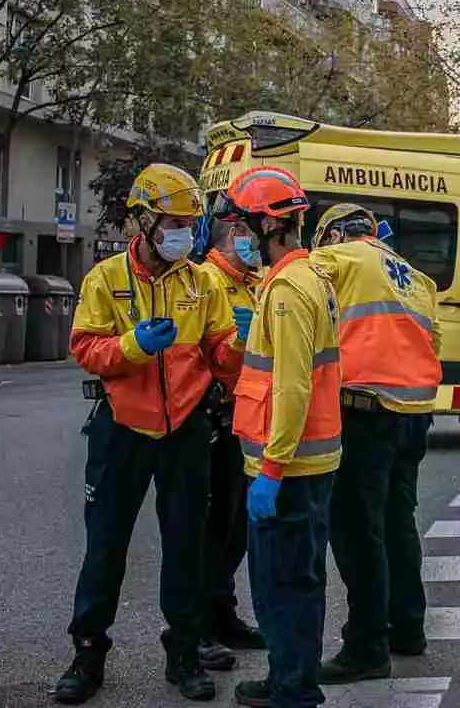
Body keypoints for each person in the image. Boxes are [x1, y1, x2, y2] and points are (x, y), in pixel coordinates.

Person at [56, 164, 246, 704]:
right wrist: (133, 346)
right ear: (141, 220)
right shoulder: (106, 279)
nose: (182, 232)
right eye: (171, 221)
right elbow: (85, 350)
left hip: (185, 429)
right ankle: (87, 656)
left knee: (186, 547)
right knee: (106, 547)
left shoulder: (202, 281)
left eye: (189, 222)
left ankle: (184, 656)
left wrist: (239, 348)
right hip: (122, 430)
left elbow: (219, 355)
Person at [220, 166, 342, 708]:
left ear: (271, 226)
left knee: (282, 586)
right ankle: (295, 677)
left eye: (244, 225)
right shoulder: (304, 276)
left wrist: (271, 468)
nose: (237, 236)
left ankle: (291, 687)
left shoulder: (289, 288)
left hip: (288, 469)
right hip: (306, 464)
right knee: (299, 580)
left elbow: (291, 386)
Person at [309, 204, 442, 685]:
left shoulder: (336, 261)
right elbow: (433, 343)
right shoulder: (414, 278)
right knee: (396, 521)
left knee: (356, 530)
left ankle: (366, 646)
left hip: (364, 411)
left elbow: (298, 311)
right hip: (413, 414)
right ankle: (407, 628)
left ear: (336, 235)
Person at [197, 219, 266, 663]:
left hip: (247, 415)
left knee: (236, 528)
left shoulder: (252, 283)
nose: (253, 242)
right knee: (211, 527)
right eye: (244, 234)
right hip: (214, 415)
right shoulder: (208, 280)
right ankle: (198, 625)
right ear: (226, 240)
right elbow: (206, 352)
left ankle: (224, 613)